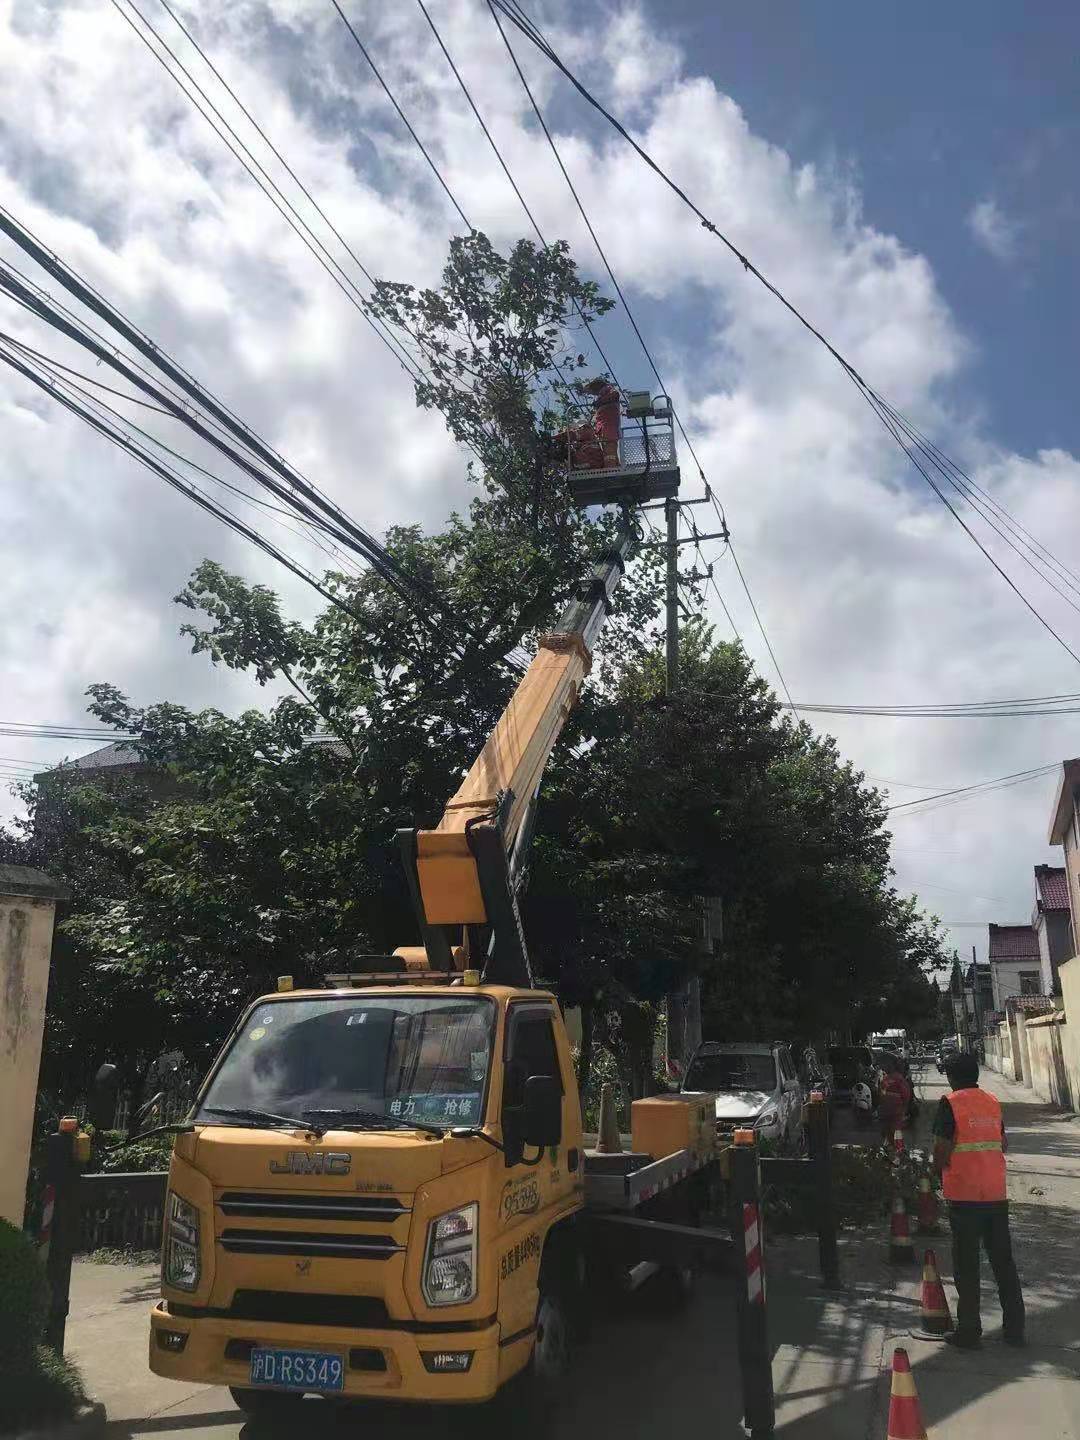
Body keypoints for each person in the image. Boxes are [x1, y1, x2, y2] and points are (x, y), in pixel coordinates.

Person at [933, 1052, 1024, 1349]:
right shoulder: (992, 1102)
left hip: (964, 1196)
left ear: (951, 1077)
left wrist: (937, 1172)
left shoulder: (950, 1103)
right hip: (995, 1195)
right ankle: (1015, 1330)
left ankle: (969, 1331)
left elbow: (942, 1148)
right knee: (1003, 1263)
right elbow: (1003, 1143)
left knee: (967, 1266)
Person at [878, 1056, 911, 1142]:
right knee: (894, 1131)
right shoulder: (891, 1078)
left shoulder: (893, 1078)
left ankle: (892, 1147)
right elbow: (906, 1095)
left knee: (891, 1132)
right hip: (892, 1110)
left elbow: (905, 1094)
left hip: (891, 1110)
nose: (884, 1066)